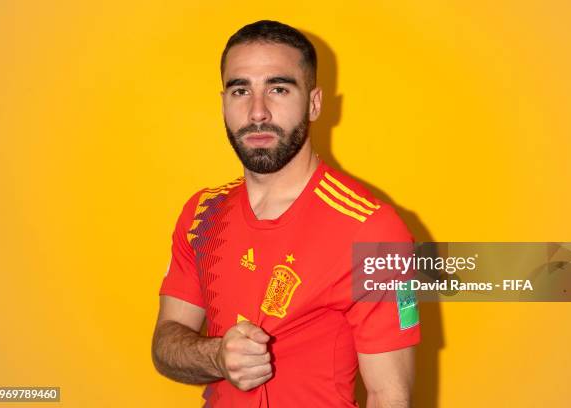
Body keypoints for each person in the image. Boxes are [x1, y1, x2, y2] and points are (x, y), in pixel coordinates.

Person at [152, 20, 420, 407]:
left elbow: (389, 397)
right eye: (240, 90)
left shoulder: (373, 229)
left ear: (313, 103)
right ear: (223, 101)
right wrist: (217, 356)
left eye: (278, 88)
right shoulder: (202, 212)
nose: (257, 112)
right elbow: (166, 343)